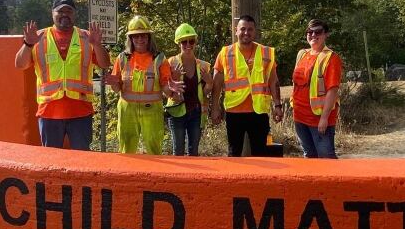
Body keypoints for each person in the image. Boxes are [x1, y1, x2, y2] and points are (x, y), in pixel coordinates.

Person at [14, 0, 111, 150]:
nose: (65, 14)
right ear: (52, 14)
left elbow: (105, 63)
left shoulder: (86, 37)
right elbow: (20, 64)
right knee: (52, 162)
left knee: (81, 161)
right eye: (60, 11)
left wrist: (97, 45)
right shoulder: (38, 37)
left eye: (69, 11)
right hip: (49, 113)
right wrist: (27, 44)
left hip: (81, 111)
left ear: (75, 14)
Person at [106, 16, 183, 155]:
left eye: (143, 36)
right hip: (127, 110)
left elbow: (165, 85)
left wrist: (171, 90)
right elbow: (117, 88)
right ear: (130, 39)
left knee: (154, 148)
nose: (140, 39)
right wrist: (114, 83)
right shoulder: (122, 58)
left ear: (149, 38)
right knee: (126, 149)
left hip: (152, 110)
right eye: (136, 36)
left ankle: (156, 175)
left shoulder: (159, 58)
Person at [211, 15, 283, 157]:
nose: (246, 32)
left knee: (261, 154)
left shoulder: (266, 53)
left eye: (250, 29)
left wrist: (278, 105)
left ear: (255, 31)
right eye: (243, 29)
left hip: (258, 112)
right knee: (234, 154)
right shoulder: (225, 53)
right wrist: (214, 108)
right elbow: (217, 83)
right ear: (236, 30)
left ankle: (258, 179)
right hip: (234, 112)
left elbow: (273, 81)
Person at [291, 19, 342, 158]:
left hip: (319, 119)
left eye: (318, 32)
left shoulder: (331, 58)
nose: (313, 35)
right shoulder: (302, 54)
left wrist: (324, 118)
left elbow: (333, 90)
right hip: (300, 116)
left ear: (326, 34)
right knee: (309, 156)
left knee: (326, 157)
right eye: (310, 32)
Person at [165, 23, 213, 156]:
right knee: (178, 151)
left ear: (195, 43)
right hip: (176, 112)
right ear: (178, 43)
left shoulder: (203, 66)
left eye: (191, 41)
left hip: (195, 113)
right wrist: (173, 78)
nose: (188, 45)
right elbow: (166, 91)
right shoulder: (170, 63)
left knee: (194, 152)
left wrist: (209, 83)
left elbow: (204, 93)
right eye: (184, 42)